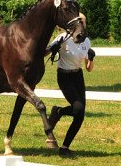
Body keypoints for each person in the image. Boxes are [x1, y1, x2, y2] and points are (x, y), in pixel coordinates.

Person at [45, 13, 96, 156]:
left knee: (80, 114)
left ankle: (64, 147)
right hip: (64, 76)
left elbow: (89, 69)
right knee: (78, 108)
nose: (80, 25)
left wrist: (91, 58)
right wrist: (53, 47)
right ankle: (58, 112)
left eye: (82, 22)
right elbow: (44, 53)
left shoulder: (86, 42)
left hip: (78, 76)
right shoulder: (63, 38)